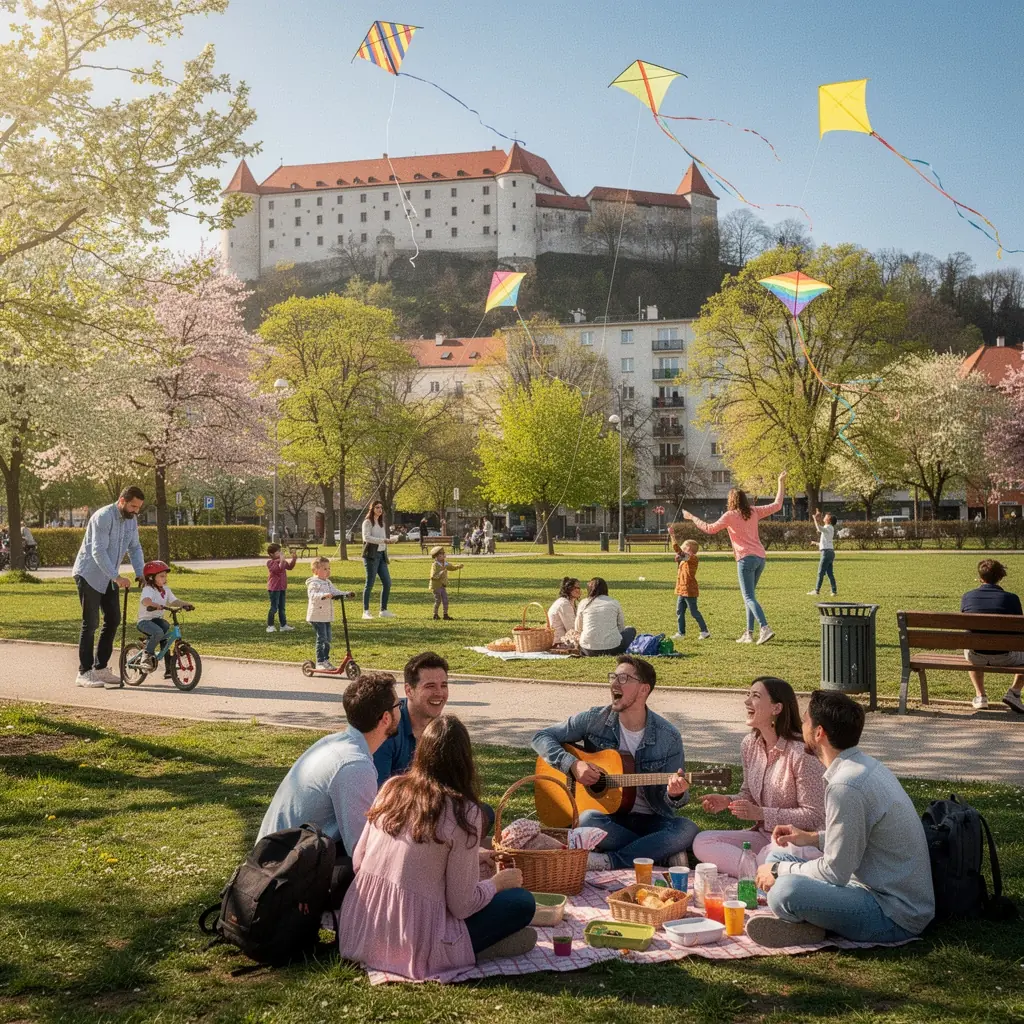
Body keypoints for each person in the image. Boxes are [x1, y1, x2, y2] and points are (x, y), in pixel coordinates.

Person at [339, 715, 537, 978]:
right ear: (466, 761)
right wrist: (499, 883)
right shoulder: (464, 813)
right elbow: (462, 906)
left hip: (361, 929)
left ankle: (482, 946)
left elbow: (360, 860)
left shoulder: (391, 788)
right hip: (415, 943)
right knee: (521, 902)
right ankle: (474, 951)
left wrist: (475, 857)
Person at [748, 690, 935, 947]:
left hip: (893, 913)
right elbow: (860, 836)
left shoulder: (846, 785)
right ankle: (811, 923)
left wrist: (780, 872)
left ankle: (809, 924)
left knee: (784, 889)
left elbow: (835, 872)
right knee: (776, 855)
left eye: (804, 721)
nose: (799, 727)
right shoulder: (864, 766)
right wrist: (813, 838)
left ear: (819, 733)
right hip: (871, 887)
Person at [532, 655, 698, 870]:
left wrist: (675, 793)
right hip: (607, 818)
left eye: (623, 678)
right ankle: (654, 853)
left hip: (649, 821)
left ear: (643, 689)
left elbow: (670, 802)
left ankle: (611, 860)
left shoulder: (669, 737)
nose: (613, 684)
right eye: (613, 677)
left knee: (686, 828)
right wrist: (573, 765)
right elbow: (541, 737)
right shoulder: (595, 719)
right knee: (587, 820)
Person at [258, 672, 400, 857]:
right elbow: (361, 851)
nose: (402, 710)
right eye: (399, 705)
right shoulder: (354, 766)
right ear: (386, 718)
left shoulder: (334, 743)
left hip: (276, 857)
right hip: (281, 873)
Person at [693, 677, 824, 877]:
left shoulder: (801, 753)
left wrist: (761, 813)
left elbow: (814, 816)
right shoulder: (750, 744)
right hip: (764, 837)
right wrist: (728, 801)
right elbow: (749, 794)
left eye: (755, 696)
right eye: (748, 695)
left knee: (767, 856)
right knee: (702, 841)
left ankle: (760, 872)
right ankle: (760, 874)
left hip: (797, 843)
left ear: (777, 708)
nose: (747, 702)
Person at [681, 471, 787, 645]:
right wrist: (780, 482)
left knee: (749, 597)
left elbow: (709, 528)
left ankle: (765, 628)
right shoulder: (753, 511)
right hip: (760, 558)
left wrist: (692, 517)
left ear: (730, 501)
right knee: (749, 596)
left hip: (746, 559)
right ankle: (748, 633)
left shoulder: (730, 515)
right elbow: (777, 504)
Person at [71, 486, 146, 688]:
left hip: (110, 576)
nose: (135, 511)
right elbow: (98, 551)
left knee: (113, 618)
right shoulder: (103, 516)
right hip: (89, 574)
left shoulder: (131, 520)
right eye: (133, 506)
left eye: (138, 507)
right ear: (122, 501)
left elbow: (135, 547)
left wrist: (140, 571)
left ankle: (100, 668)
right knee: (91, 622)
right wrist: (116, 576)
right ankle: (84, 672)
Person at [960, 559, 1024, 713]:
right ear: (1000, 577)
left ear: (981, 578)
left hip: (975, 655)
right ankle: (1014, 692)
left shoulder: (968, 597)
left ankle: (981, 696)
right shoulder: (1012, 599)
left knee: (973, 641)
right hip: (1006, 656)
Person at [137, 560, 195, 676]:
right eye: (161, 576)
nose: (165, 578)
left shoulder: (166, 589)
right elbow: (145, 601)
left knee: (166, 631)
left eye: (165, 576)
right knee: (158, 632)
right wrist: (155, 605)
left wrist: (185, 604)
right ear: (152, 578)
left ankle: (169, 668)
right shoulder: (148, 589)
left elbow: (173, 601)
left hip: (157, 621)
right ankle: (146, 655)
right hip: (145, 621)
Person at [306, 556, 355, 671]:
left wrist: (346, 594)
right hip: (317, 616)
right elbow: (312, 596)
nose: (328, 571)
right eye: (325, 569)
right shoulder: (314, 583)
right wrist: (323, 595)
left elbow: (335, 592)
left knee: (328, 639)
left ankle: (326, 660)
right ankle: (320, 661)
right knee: (322, 638)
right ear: (315, 571)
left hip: (326, 616)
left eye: (329, 568)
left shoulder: (328, 583)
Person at [575, 577, 636, 656]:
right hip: (613, 648)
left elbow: (578, 628)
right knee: (631, 630)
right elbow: (621, 627)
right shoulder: (614, 602)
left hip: (587, 649)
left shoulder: (583, 603)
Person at [361, 501, 394, 620]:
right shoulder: (367, 522)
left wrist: (388, 541)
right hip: (371, 555)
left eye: (381, 507)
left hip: (381, 555)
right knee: (370, 583)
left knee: (387, 582)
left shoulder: (381, 523)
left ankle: (383, 610)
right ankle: (365, 611)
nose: (380, 509)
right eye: (377, 507)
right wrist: (383, 541)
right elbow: (367, 538)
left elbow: (382, 539)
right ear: (372, 509)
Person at [673, 538, 710, 641]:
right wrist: (678, 560)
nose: (681, 549)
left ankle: (704, 631)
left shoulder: (693, 558)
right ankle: (681, 633)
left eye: (684, 547)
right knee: (679, 611)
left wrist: (672, 535)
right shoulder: (685, 559)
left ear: (688, 548)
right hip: (681, 590)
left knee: (694, 612)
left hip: (690, 590)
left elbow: (678, 550)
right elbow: (681, 558)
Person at [265, 542, 298, 633]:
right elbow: (278, 570)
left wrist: (294, 558)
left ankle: (283, 625)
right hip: (274, 588)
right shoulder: (270, 563)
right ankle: (270, 625)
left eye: (280, 551)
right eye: (277, 552)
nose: (280, 553)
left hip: (282, 587)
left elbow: (290, 567)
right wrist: (282, 560)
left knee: (282, 608)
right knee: (274, 607)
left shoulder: (281, 561)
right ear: (272, 554)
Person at [807, 510, 838, 597]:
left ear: (829, 520)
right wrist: (815, 543)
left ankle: (816, 590)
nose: (824, 517)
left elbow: (818, 528)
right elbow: (824, 543)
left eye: (826, 516)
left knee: (820, 572)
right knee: (830, 573)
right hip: (830, 552)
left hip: (826, 553)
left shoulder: (828, 527)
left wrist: (814, 519)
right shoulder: (829, 528)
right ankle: (834, 591)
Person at [428, 545, 462, 620]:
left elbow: (451, 567)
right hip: (436, 586)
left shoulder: (445, 563)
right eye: (440, 556)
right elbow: (433, 575)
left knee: (445, 600)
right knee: (438, 600)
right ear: (436, 557)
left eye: (443, 555)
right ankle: (435, 614)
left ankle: (445, 614)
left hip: (443, 585)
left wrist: (458, 566)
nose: (442, 557)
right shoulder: (435, 565)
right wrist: (441, 572)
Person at [548, 577, 582, 646]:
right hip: (559, 642)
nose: (579, 590)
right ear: (569, 589)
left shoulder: (568, 602)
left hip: (563, 639)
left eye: (579, 588)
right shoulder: (564, 604)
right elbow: (571, 628)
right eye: (576, 588)